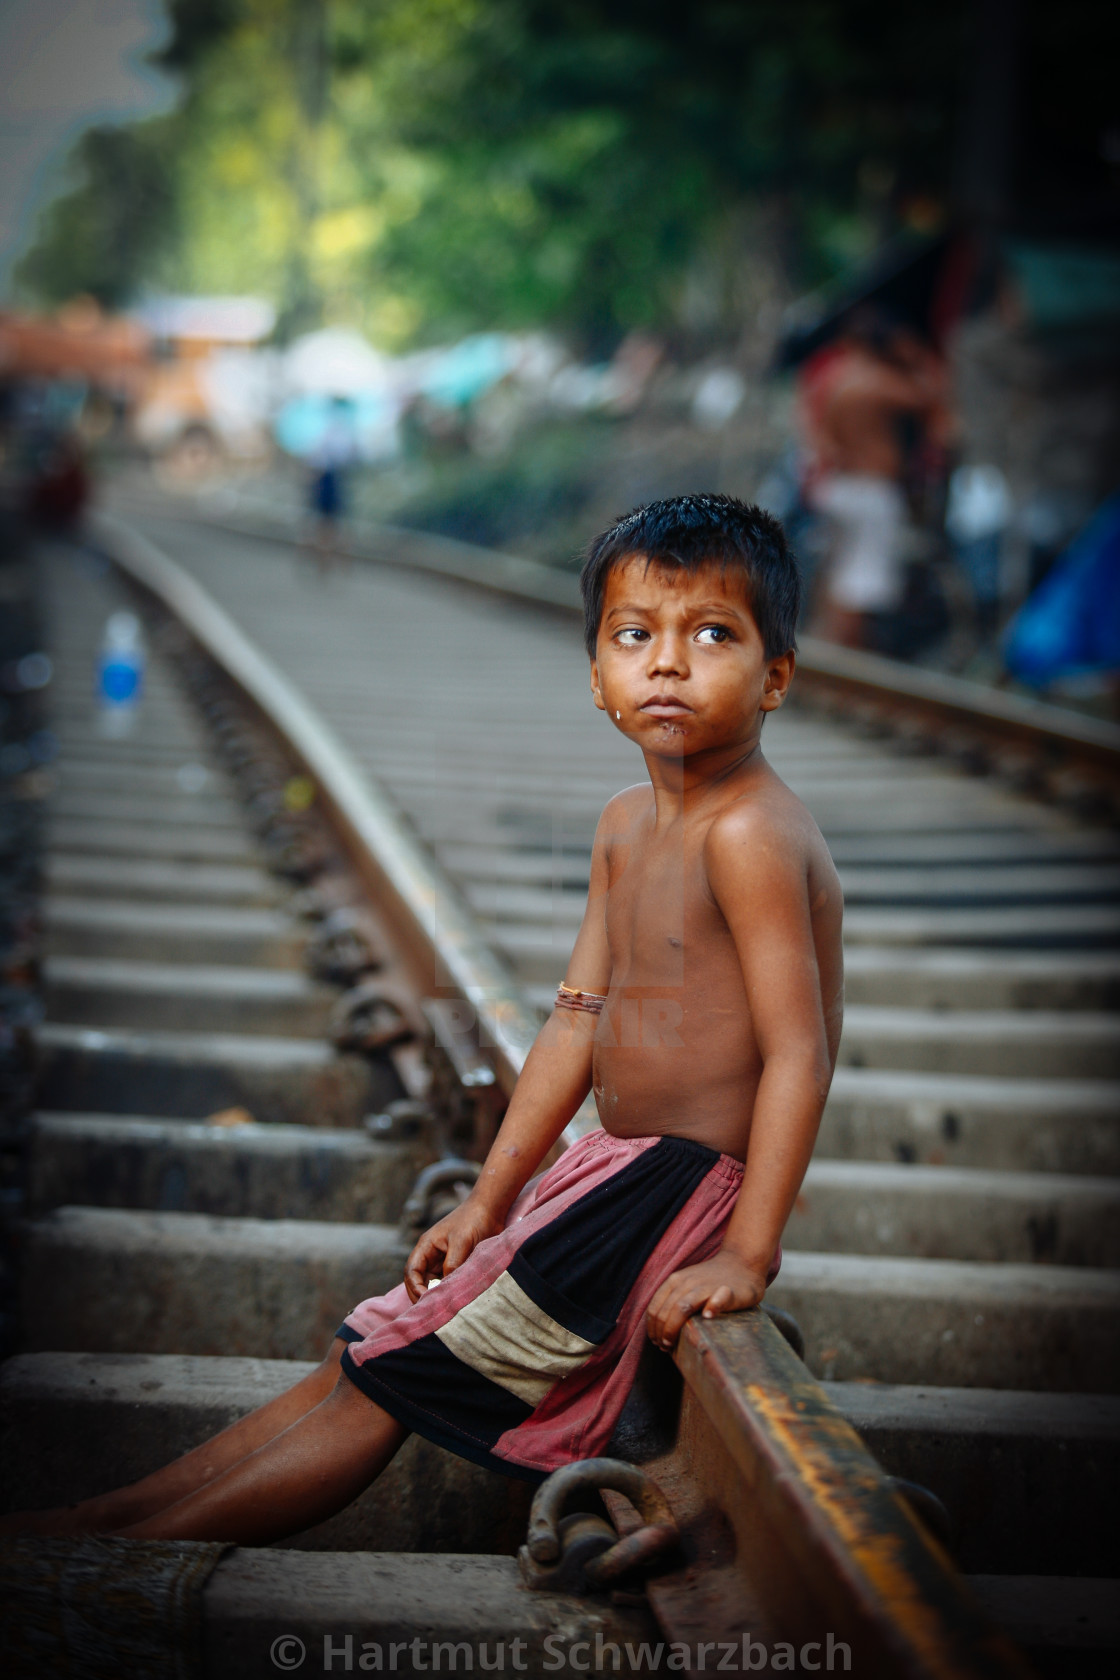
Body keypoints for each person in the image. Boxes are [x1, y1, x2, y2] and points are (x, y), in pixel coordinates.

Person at [5, 493, 843, 1544]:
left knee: (385, 1385)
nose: (667, 663)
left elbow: (798, 1054)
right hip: (607, 1173)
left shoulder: (751, 835)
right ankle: (94, 1522)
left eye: (712, 633)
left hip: (665, 1191)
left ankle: (119, 1549)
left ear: (775, 676)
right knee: (364, 1353)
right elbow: (577, 1020)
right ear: (596, 676)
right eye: (635, 636)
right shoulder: (630, 823)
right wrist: (491, 1197)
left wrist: (747, 1254)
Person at [803, 313, 948, 648]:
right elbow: (932, 396)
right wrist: (916, 355)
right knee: (860, 585)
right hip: (870, 491)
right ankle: (849, 658)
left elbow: (821, 438)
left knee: (841, 577)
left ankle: (834, 649)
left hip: (840, 487)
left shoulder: (834, 380)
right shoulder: (877, 381)